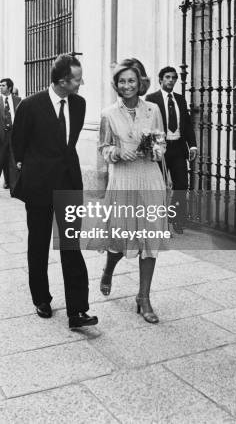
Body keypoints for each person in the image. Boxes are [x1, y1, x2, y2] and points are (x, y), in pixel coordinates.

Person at [12, 54, 98, 330]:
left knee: (71, 245)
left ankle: (78, 310)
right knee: (38, 243)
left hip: (69, 183)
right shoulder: (30, 106)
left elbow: (68, 144)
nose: (81, 82)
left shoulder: (80, 104)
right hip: (38, 187)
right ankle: (41, 298)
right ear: (62, 81)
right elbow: (19, 145)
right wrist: (33, 172)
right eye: (77, 79)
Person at [96, 58, 169, 324]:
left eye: (132, 81)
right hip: (124, 180)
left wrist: (156, 149)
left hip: (150, 179)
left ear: (141, 83)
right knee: (120, 239)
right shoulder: (108, 114)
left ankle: (144, 297)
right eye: (122, 81)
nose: (127, 86)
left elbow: (161, 142)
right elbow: (102, 148)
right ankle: (108, 269)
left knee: (149, 242)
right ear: (116, 84)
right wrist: (116, 151)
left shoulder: (153, 110)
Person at [146, 66, 197, 233]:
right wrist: (151, 148)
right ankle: (157, 222)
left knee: (181, 185)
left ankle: (176, 219)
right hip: (161, 149)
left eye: (173, 78)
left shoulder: (180, 99)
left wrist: (193, 145)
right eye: (167, 77)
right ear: (161, 79)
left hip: (178, 148)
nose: (171, 80)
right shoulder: (151, 99)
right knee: (158, 186)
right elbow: (148, 125)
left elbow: (188, 125)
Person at [0, 78, 21, 196]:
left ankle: (14, 190)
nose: (0, 87)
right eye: (0, 85)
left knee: (13, 163)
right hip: (1, 137)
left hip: (14, 136)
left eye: (3, 85)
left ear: (10, 88)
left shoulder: (18, 100)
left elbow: (21, 119)